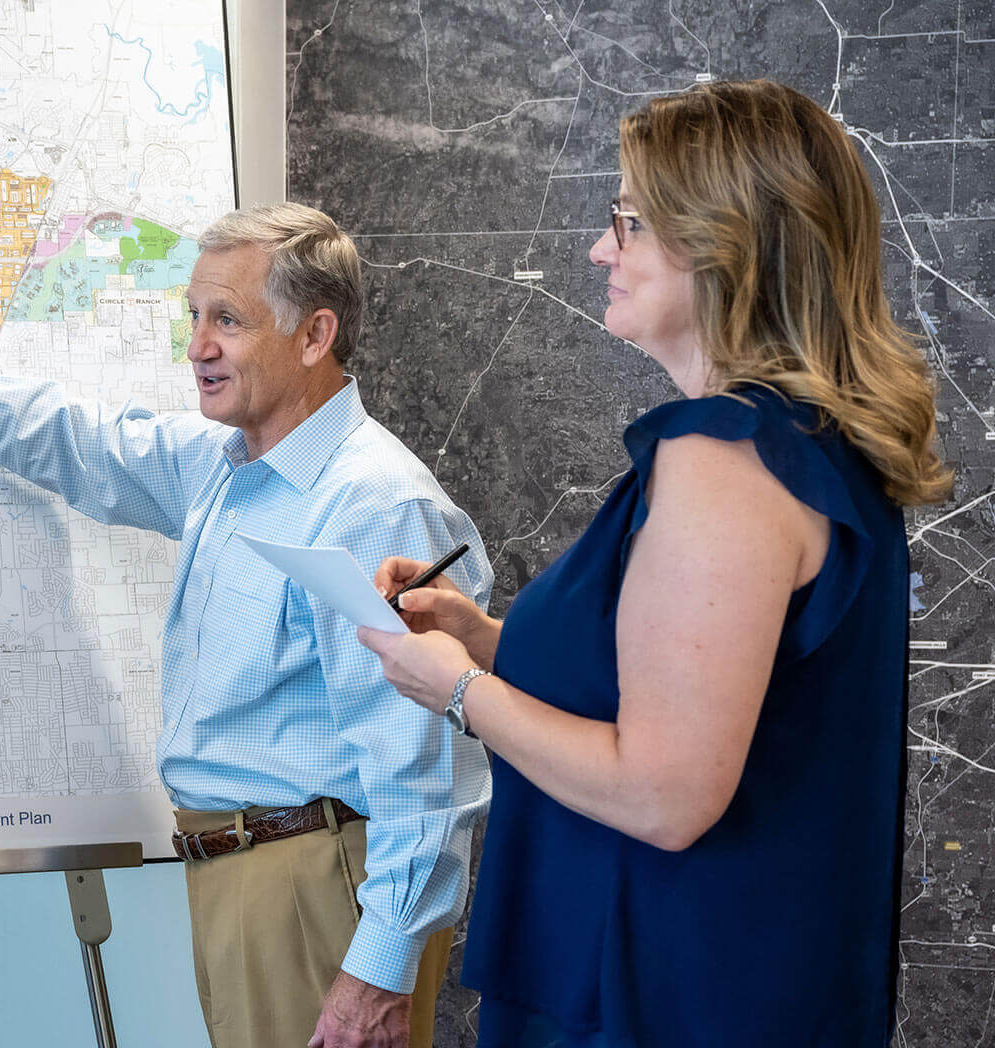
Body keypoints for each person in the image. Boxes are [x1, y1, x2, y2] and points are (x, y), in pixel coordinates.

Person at [0, 203, 493, 1048]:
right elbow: (77, 441)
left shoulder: (370, 502)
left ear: (314, 335)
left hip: (319, 884)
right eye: (194, 316)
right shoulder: (227, 466)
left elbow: (425, 767)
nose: (197, 346)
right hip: (246, 878)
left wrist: (379, 965)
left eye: (228, 319)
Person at [359, 78, 951, 1047]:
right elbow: (688, 697)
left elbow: (665, 794)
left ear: (723, 245)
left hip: (660, 995)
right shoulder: (800, 447)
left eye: (627, 222)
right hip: (719, 980)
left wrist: (461, 693)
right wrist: (484, 641)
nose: (602, 250)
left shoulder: (726, 462)